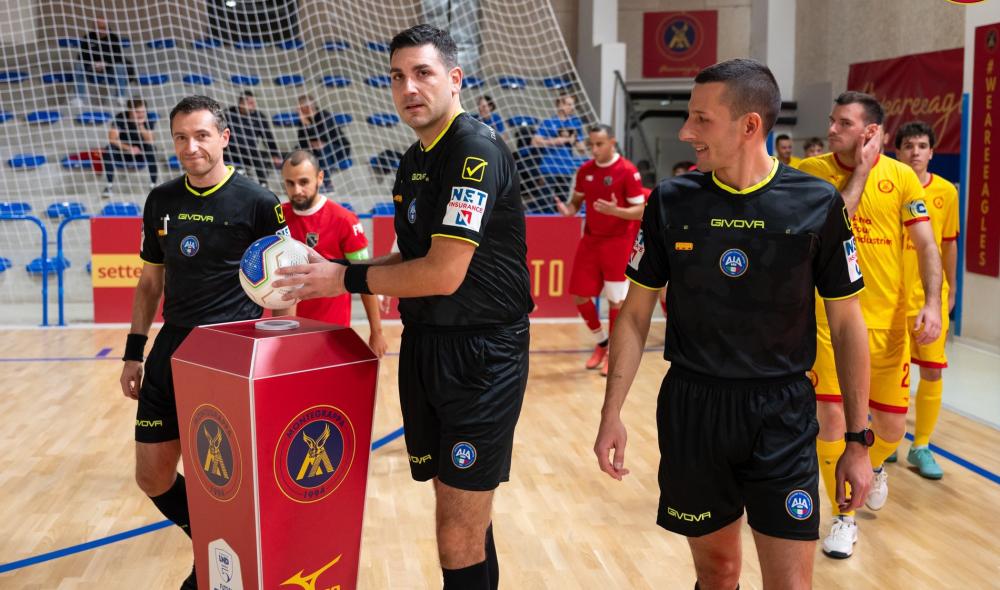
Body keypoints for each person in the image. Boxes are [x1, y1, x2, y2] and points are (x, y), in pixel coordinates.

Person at [594, 58, 874, 589]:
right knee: (718, 574)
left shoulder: (816, 204)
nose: (685, 132)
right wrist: (612, 412)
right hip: (693, 410)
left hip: (782, 414)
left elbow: (846, 326)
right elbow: (634, 315)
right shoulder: (670, 202)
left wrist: (858, 441)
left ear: (750, 125)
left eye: (701, 119)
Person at [273, 24, 532, 590]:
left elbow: (443, 272)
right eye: (397, 77)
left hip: (482, 357)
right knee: (461, 513)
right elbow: (412, 257)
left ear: (454, 79)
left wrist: (343, 278)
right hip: (427, 347)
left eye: (422, 73)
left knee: (456, 536)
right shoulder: (414, 160)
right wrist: (337, 272)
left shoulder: (474, 152)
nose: (408, 88)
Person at [119, 95, 288, 590]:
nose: (191, 147)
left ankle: (216, 567)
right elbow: (150, 283)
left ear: (223, 138)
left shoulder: (259, 202)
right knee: (152, 475)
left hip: (229, 352)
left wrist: (276, 360)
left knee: (221, 480)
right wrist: (133, 352)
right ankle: (209, 538)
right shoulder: (161, 199)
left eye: (201, 135)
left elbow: (284, 288)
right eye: (181, 137)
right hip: (171, 349)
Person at [798, 92, 942, 559]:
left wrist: (933, 303)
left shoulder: (901, 178)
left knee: (891, 429)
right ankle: (844, 517)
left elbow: (927, 245)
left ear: (871, 132)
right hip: (828, 320)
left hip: (888, 325)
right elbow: (831, 226)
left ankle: (873, 467)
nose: (832, 129)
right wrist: (859, 172)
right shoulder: (810, 172)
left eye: (844, 123)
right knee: (833, 421)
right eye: (832, 120)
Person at [891, 120, 959, 479]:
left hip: (928, 298)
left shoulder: (946, 191)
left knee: (932, 370)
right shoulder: (887, 185)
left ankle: (921, 445)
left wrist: (951, 289)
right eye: (908, 146)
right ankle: (887, 437)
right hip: (891, 297)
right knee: (889, 370)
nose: (915, 152)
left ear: (932, 152)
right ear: (897, 151)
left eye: (921, 146)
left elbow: (948, 244)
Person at [555, 124, 646, 376]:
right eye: (591, 144)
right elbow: (576, 202)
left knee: (616, 301)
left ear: (612, 143)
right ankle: (602, 342)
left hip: (619, 242)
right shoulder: (585, 170)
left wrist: (616, 211)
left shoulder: (627, 170)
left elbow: (640, 210)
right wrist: (569, 210)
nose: (594, 149)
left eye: (599, 144)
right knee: (579, 296)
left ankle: (613, 353)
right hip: (591, 241)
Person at [280, 148, 387, 357]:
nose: (297, 190)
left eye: (303, 182)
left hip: (332, 333)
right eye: (290, 183)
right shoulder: (278, 217)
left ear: (320, 178)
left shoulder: (344, 220)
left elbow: (365, 278)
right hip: (289, 334)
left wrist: (377, 332)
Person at [101, 97, 158, 198]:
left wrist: (140, 125)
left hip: (140, 153)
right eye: (137, 112)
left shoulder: (148, 118)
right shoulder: (121, 117)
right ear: (130, 111)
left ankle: (153, 184)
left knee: (151, 149)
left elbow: (150, 140)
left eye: (143, 111)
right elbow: (112, 139)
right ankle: (109, 186)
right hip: (123, 151)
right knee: (109, 149)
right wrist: (128, 148)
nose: (141, 114)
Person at [226, 90, 282, 186]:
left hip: (250, 152)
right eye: (250, 103)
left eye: (254, 103)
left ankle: (263, 184)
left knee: (260, 158)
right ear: (241, 103)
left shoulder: (259, 117)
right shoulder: (228, 114)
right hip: (230, 151)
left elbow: (268, 137)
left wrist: (275, 154)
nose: (254, 105)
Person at [73, 17, 132, 106]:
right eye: (98, 27)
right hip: (91, 70)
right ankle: (79, 98)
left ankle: (121, 96)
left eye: (103, 27)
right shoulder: (88, 37)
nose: (101, 30)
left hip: (108, 71)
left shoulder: (113, 38)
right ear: (94, 27)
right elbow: (81, 56)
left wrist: (105, 64)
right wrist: (92, 64)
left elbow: (118, 57)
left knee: (119, 66)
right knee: (78, 65)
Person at [297, 94, 351, 186]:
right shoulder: (303, 120)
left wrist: (307, 125)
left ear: (308, 107)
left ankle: (327, 183)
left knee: (321, 149)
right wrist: (310, 143)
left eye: (299, 107)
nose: (297, 110)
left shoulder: (324, 115)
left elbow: (322, 136)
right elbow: (301, 140)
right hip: (317, 149)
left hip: (339, 148)